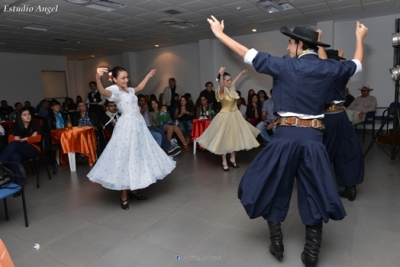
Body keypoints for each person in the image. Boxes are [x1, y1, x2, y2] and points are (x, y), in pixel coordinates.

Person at [206, 15, 367, 267]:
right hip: (314, 139)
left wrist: (219, 34)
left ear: (300, 46)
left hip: (285, 137)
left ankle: (276, 240)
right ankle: (311, 254)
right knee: (314, 191)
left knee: (271, 185)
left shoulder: (284, 66)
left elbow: (246, 53)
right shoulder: (328, 68)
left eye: (290, 43)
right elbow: (357, 64)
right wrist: (360, 37)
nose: (288, 48)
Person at [87, 67, 176, 210]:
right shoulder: (114, 91)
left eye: (127, 77)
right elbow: (103, 92)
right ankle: (124, 195)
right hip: (127, 127)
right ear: (115, 79)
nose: (126, 80)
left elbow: (140, 87)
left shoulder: (129, 90)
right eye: (122, 78)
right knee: (125, 158)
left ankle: (134, 189)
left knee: (138, 156)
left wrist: (148, 75)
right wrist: (97, 78)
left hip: (139, 126)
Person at [321, 49, 364, 202]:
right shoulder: (342, 73)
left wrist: (318, 42)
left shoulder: (325, 72)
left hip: (327, 117)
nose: (341, 62)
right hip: (341, 116)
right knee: (346, 150)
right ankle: (350, 188)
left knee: (323, 153)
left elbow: (324, 63)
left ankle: (321, 189)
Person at [197, 67, 260, 171]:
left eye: (230, 79)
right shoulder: (221, 90)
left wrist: (241, 73)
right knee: (224, 139)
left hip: (235, 116)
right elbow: (221, 85)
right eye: (228, 80)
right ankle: (224, 161)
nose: (230, 81)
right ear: (222, 81)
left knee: (234, 138)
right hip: (225, 117)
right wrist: (221, 74)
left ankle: (233, 159)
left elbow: (235, 81)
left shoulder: (231, 88)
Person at [0, 108, 42, 185]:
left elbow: (38, 139)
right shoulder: (16, 126)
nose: (28, 116)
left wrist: (25, 139)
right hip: (20, 150)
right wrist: (30, 138)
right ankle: (19, 184)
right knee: (14, 155)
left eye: (29, 114)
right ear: (20, 117)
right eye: (24, 115)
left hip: (33, 149)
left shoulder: (35, 125)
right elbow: (10, 139)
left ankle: (0, 165)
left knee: (15, 144)